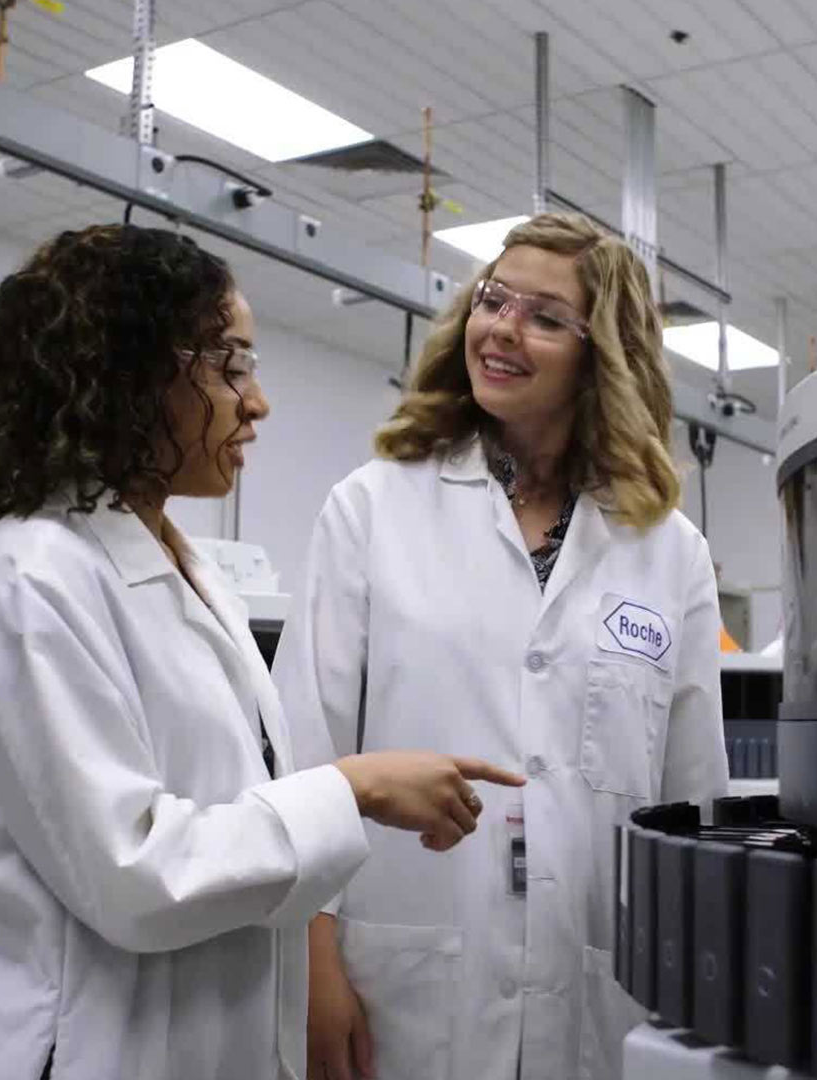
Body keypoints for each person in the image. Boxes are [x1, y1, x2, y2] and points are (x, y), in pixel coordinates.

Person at [0, 225, 523, 1080]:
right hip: (76, 1053)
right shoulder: (31, 577)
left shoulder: (191, 574)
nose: (256, 401)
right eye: (229, 365)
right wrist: (354, 788)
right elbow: (134, 873)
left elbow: (232, 812)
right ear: (130, 373)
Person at [275, 213, 729, 1080]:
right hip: (405, 987)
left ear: (605, 355)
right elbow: (306, 753)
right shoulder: (373, 509)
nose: (503, 329)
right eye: (494, 299)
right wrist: (311, 965)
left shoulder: (669, 552)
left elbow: (691, 803)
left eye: (546, 317)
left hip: (602, 993)